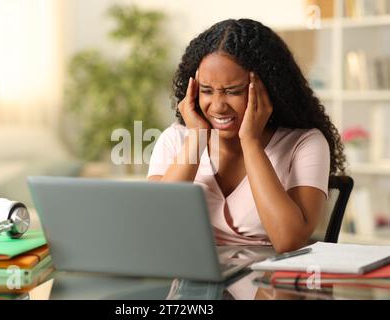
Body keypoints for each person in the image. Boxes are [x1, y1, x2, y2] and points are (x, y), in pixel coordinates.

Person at [147, 19, 346, 253]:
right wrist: (197, 137)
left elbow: (288, 241)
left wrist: (250, 142)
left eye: (233, 91)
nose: (218, 106)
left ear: (269, 89)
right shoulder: (176, 139)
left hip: (268, 281)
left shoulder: (305, 143)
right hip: (192, 279)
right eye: (207, 91)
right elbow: (154, 227)